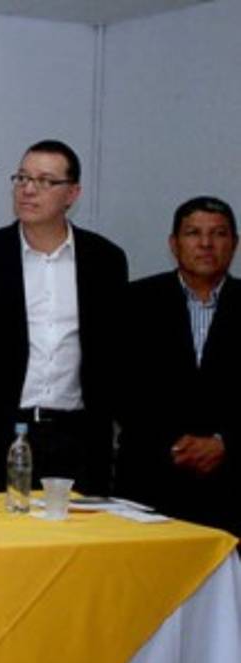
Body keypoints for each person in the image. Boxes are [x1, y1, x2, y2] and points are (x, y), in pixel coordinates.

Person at [0, 140, 127, 496]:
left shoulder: (105, 260)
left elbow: (114, 348)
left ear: (72, 193)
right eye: (22, 178)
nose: (28, 189)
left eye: (44, 181)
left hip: (79, 435)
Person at [115, 196, 240, 535]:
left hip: (232, 484)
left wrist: (224, 443)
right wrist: (172, 444)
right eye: (193, 233)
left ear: (235, 243)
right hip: (150, 479)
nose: (206, 244)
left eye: (218, 234)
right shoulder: (134, 302)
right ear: (174, 243)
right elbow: (115, 386)